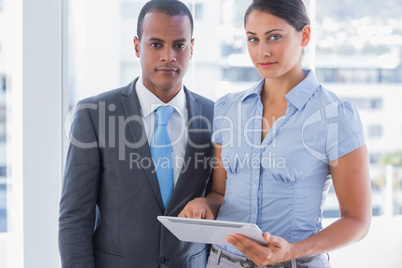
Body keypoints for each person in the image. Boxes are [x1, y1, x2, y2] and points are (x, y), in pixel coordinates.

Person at [179, 0, 372, 267]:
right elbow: (220, 194)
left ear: (304, 35)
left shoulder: (336, 115)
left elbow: (357, 220)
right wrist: (204, 204)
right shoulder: (228, 109)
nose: (263, 51)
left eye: (275, 37)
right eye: (253, 39)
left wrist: (291, 250)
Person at [58, 1, 214, 267]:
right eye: (156, 44)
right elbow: (75, 219)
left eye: (179, 45)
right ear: (136, 46)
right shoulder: (94, 115)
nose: (169, 56)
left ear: (192, 47)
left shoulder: (215, 116)